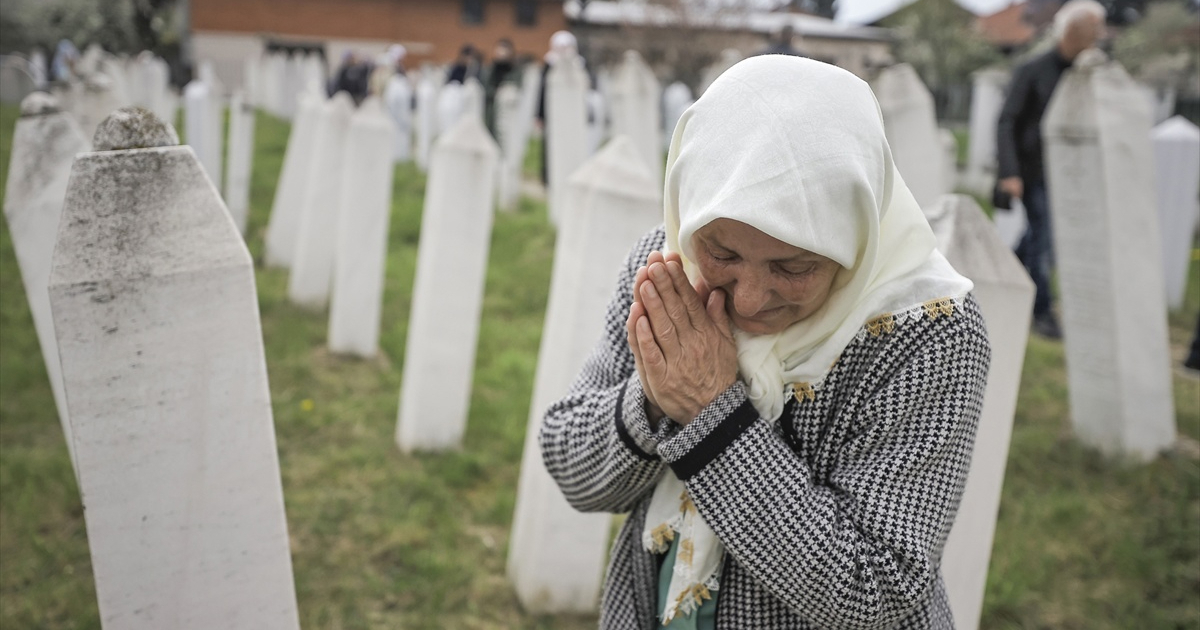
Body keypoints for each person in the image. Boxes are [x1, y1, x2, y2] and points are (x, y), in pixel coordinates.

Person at [540, 56, 990, 629]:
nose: (750, 299)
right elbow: (570, 465)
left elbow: (877, 591)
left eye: (794, 265)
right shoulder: (671, 266)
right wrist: (655, 397)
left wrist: (713, 417)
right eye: (724, 253)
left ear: (857, 238)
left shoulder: (927, 332)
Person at [996, 0, 1107, 340]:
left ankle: (1002, 274)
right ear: (1072, 31)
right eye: (1092, 32)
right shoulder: (1033, 69)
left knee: (1037, 238)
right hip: (1033, 172)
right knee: (1044, 241)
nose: (1097, 38)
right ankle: (1042, 310)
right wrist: (1009, 172)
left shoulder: (1090, 72)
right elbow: (1007, 121)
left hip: (1070, 175)